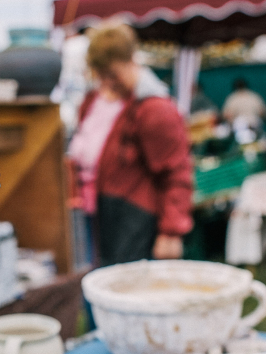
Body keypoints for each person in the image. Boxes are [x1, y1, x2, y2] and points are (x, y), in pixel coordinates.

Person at [67, 24, 193, 267]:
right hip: (96, 211)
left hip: (134, 214)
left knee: (129, 288)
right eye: (101, 74)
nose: (107, 82)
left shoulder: (155, 108)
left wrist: (171, 231)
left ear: (129, 61)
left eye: (112, 73)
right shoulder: (94, 100)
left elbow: (176, 172)